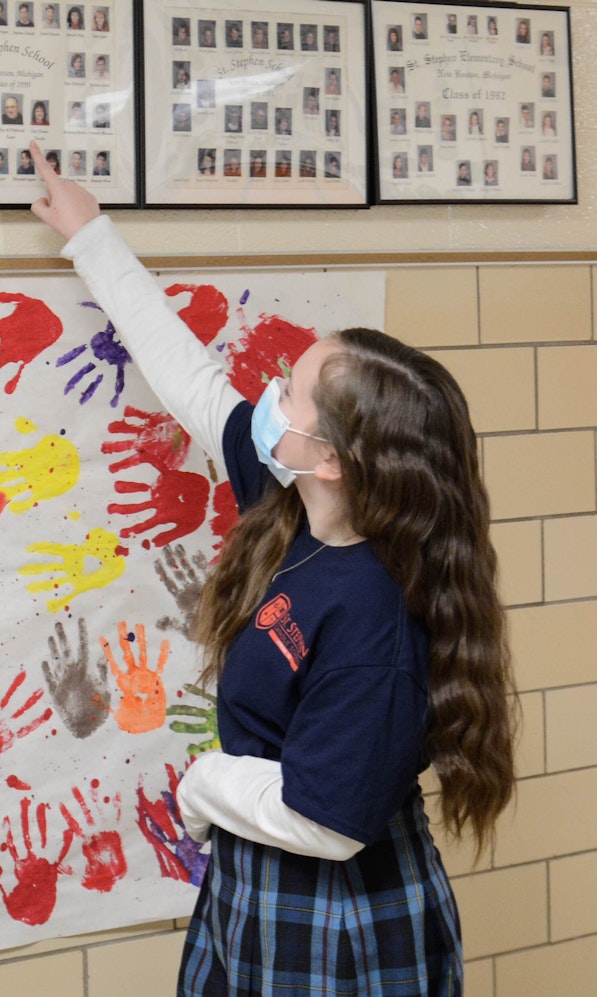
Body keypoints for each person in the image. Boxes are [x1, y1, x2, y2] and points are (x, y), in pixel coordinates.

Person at [30, 143, 513, 997]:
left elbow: (329, 821)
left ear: (330, 457)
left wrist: (205, 781)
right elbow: (194, 382)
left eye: (288, 393)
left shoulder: (373, 617)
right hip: (261, 882)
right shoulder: (296, 503)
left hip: (341, 908)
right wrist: (89, 233)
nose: (266, 399)